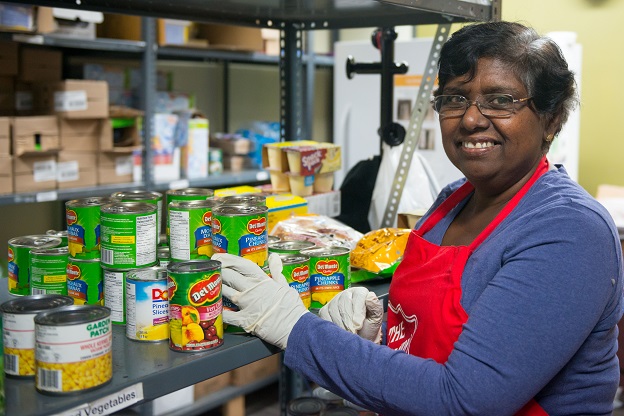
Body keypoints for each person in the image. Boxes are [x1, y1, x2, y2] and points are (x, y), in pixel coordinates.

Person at [212, 21, 624, 415]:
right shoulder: (451, 202)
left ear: (552, 119)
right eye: (455, 98)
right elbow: (433, 333)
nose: (471, 118)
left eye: (500, 100)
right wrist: (378, 332)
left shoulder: (569, 231)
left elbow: (465, 400)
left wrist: (294, 327)